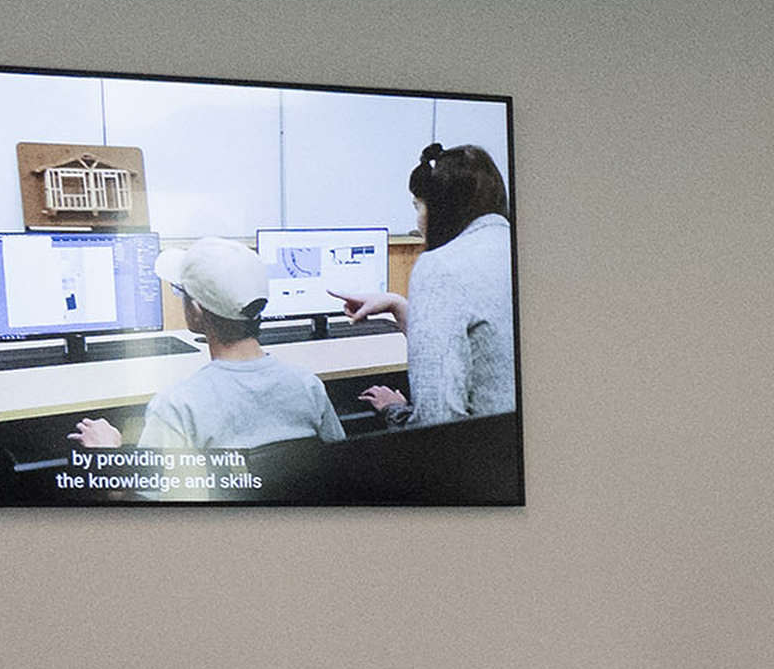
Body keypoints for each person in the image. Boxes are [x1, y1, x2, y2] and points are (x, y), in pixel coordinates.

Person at [121, 238, 348, 484]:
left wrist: (111, 453)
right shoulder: (308, 385)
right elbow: (338, 462)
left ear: (196, 310)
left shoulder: (176, 407)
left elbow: (146, 495)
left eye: (181, 292)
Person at [394, 139, 517, 426]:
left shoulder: (440, 267)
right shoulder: (522, 250)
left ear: (439, 209)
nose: (418, 222)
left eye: (418, 207)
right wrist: (399, 306)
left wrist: (394, 412)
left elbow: (437, 418)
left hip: (489, 449)